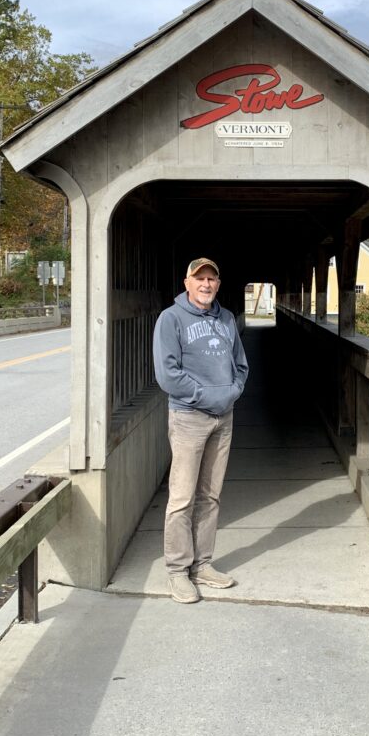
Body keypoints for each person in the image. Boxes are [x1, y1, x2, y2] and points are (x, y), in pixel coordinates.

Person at [153, 257, 249, 603]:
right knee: (182, 497)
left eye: (212, 279)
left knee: (211, 495)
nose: (206, 284)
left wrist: (232, 392)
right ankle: (178, 572)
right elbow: (167, 374)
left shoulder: (225, 319)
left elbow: (241, 363)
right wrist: (204, 396)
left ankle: (202, 565)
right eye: (200, 279)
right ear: (187, 283)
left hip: (224, 418)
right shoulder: (171, 319)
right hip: (189, 417)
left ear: (218, 285)